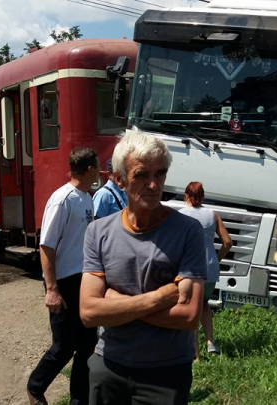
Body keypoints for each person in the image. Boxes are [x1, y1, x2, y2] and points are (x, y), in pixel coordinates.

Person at [80, 129, 207, 404]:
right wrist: (160, 297)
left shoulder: (188, 231)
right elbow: (89, 312)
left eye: (159, 173)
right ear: (119, 180)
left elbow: (189, 317)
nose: (153, 184)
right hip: (109, 366)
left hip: (165, 373)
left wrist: (115, 303)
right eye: (141, 175)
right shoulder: (98, 233)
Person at [27, 147, 101, 405]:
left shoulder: (87, 197)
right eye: (98, 166)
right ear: (90, 169)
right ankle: (35, 387)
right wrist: (51, 289)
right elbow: (46, 246)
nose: (100, 170)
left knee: (87, 345)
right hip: (64, 283)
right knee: (64, 345)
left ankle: (79, 399)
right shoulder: (63, 199)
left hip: (84, 281)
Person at [179, 181, 233, 360]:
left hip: (191, 269)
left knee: (192, 308)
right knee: (204, 304)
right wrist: (217, 259)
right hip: (210, 268)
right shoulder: (213, 215)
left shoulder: (180, 216)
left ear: (186, 195)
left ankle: (195, 355)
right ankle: (210, 343)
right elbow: (227, 242)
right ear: (203, 197)